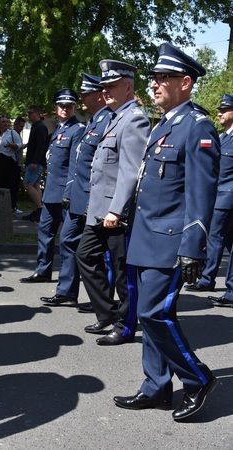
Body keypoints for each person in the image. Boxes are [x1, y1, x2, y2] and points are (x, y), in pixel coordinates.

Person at [113, 43, 220, 420]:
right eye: (154, 78)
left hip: (171, 239)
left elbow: (201, 192)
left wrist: (194, 245)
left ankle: (198, 378)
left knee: (153, 312)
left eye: (164, 78)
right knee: (149, 314)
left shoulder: (198, 127)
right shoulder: (166, 123)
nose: (155, 84)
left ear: (186, 83)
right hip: (146, 236)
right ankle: (156, 387)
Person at [76, 60, 151, 346]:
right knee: (84, 255)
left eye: (112, 86)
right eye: (104, 86)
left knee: (123, 273)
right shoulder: (112, 117)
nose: (105, 91)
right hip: (99, 210)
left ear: (128, 87)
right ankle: (107, 313)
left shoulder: (134, 119)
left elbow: (129, 171)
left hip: (115, 213)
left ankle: (125, 325)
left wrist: (115, 210)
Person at [40, 72, 112, 308]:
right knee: (70, 241)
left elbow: (80, 164)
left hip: (90, 196)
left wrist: (69, 193)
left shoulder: (100, 122)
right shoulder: (94, 121)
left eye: (84, 94)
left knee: (99, 250)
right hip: (79, 194)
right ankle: (68, 292)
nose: (80, 99)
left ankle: (103, 299)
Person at [19, 89, 85, 283]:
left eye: (69, 106)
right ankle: (43, 270)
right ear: (55, 108)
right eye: (62, 106)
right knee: (45, 233)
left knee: (68, 241)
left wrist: (69, 193)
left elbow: (75, 165)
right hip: (51, 192)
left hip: (66, 194)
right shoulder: (58, 129)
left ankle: (67, 281)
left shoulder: (77, 129)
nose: (65, 109)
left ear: (74, 107)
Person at [185, 94, 233, 299]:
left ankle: (206, 279)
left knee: (214, 238)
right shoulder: (222, 138)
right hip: (219, 195)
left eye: (224, 109)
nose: (220, 113)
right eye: (219, 109)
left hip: (226, 197)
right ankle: (231, 289)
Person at [0, 114, 22, 211]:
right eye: (3, 122)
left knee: (10, 184)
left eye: (7, 121)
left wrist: (11, 145)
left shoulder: (12, 133)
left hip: (9, 161)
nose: (5, 124)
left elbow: (19, 146)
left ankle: (11, 206)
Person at [22, 105, 49, 223]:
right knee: (36, 185)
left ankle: (40, 209)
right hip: (34, 161)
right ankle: (39, 210)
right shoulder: (36, 126)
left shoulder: (41, 127)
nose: (28, 115)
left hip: (36, 162)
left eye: (30, 112)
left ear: (37, 113)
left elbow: (41, 146)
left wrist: (35, 162)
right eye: (28, 113)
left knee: (27, 184)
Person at [12, 116, 27, 214]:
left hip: (17, 164)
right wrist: (24, 146)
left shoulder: (17, 135)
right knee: (14, 186)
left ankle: (13, 206)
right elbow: (15, 149)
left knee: (15, 186)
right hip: (14, 164)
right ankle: (12, 207)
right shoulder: (12, 135)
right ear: (16, 125)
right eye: (21, 126)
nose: (22, 129)